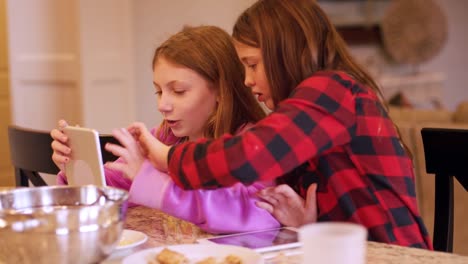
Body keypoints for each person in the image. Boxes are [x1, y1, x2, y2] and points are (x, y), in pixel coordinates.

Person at [119, 0, 433, 249]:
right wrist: (305, 225)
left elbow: (249, 157)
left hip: (391, 254)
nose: (246, 80)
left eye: (253, 65)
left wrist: (168, 159)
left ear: (285, 53)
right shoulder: (297, 119)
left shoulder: (333, 90)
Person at [50, 25, 280, 234]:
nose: (163, 105)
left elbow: (256, 216)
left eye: (179, 91)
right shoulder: (166, 138)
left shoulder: (252, 144)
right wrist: (76, 165)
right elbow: (109, 189)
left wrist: (147, 177)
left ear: (221, 90)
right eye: (159, 91)